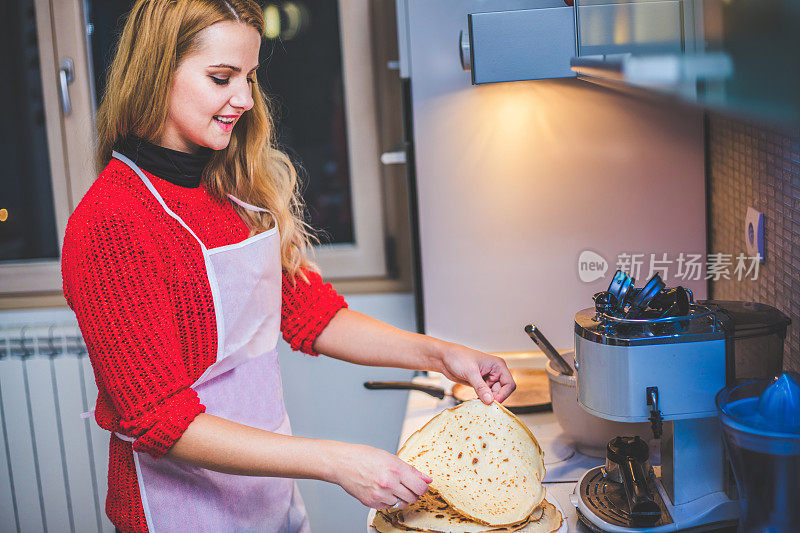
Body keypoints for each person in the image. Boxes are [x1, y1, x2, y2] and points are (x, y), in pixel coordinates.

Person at [61, 1, 516, 531]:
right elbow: (158, 419)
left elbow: (310, 315)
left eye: (249, 77)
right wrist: (335, 460)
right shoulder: (112, 223)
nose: (244, 100)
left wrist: (441, 353)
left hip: (266, 498)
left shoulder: (229, 187)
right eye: (221, 78)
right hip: (179, 511)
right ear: (158, 71)